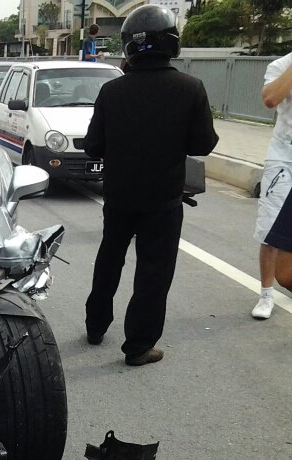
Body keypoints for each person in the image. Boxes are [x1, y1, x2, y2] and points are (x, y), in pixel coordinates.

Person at [82, 5, 218, 366]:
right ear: (171, 42)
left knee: (109, 258)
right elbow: (203, 144)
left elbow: (93, 145)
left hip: (119, 196)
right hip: (164, 199)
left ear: (129, 46)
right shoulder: (191, 88)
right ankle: (138, 346)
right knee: (153, 272)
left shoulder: (111, 91)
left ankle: (96, 325)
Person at [250, 49, 292, 320]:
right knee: (270, 225)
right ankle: (266, 293)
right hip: (284, 154)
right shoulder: (281, 65)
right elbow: (270, 98)